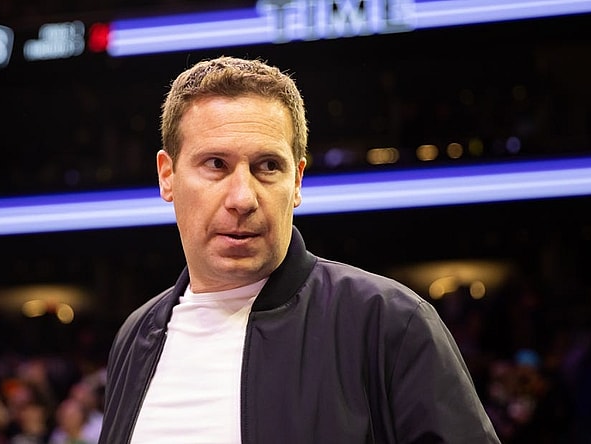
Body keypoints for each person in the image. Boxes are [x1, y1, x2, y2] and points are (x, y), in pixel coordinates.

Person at [98, 55, 500, 443]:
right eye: (216, 164)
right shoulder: (137, 335)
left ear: (297, 182)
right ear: (167, 176)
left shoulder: (389, 321)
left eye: (268, 166)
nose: (242, 197)